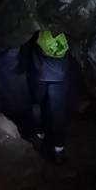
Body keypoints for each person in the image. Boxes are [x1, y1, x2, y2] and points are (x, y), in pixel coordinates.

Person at [28, 30, 73, 164]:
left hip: (39, 72)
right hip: (60, 74)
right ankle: (58, 149)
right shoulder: (67, 30)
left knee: (38, 104)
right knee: (58, 112)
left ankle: (39, 136)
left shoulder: (40, 30)